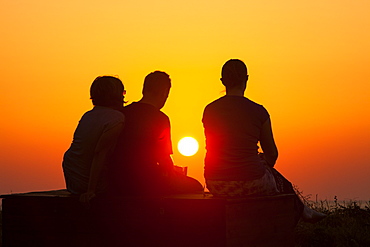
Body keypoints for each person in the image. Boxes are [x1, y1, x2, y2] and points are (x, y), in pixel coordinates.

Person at [202, 59, 326, 223]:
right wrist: (260, 162)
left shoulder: (209, 110)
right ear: (246, 79)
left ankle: (305, 211)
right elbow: (272, 154)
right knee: (280, 182)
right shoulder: (259, 111)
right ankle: (302, 214)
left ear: (223, 81)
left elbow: (217, 147)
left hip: (215, 182)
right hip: (252, 181)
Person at [110, 71, 203, 195]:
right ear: (164, 92)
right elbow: (164, 159)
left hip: (119, 178)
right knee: (196, 186)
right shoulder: (161, 119)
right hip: (147, 181)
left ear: (144, 89)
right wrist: (175, 172)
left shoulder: (123, 113)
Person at [62, 76, 125, 204]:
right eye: (122, 92)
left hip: (73, 180)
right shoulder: (116, 118)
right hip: (90, 182)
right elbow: (100, 153)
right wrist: (91, 190)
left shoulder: (88, 115)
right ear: (116, 95)